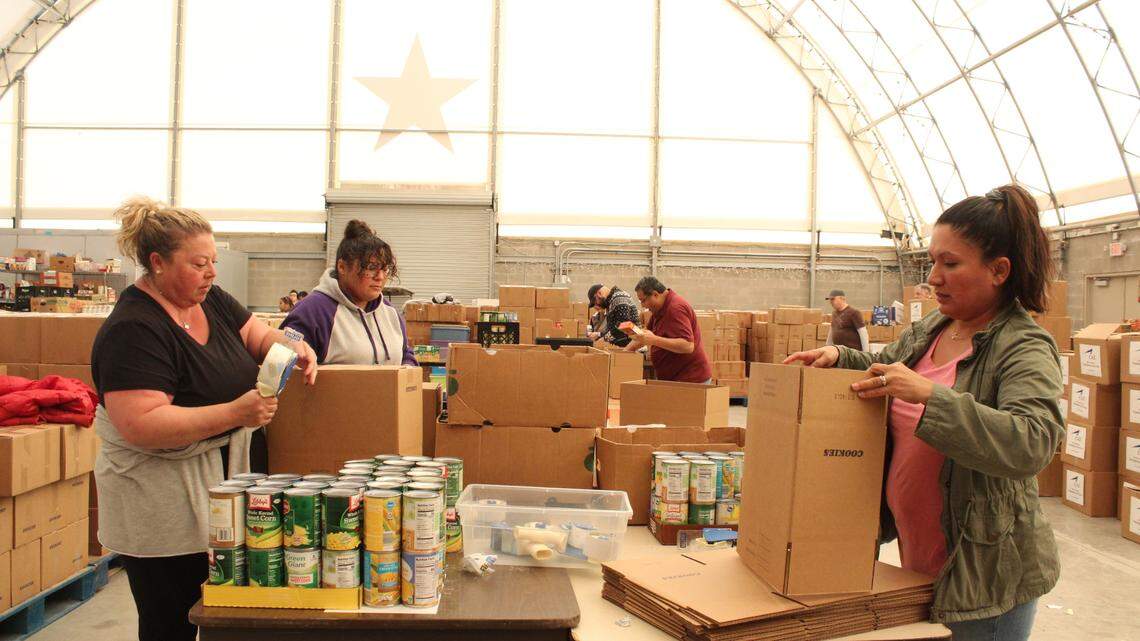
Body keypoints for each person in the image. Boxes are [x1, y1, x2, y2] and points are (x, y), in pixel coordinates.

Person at [784, 184, 1062, 640]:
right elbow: (887, 369)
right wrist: (840, 358)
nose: (933, 277)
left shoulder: (1023, 346)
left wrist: (931, 397)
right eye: (932, 261)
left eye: (950, 263)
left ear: (998, 270)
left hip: (985, 572)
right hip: (921, 555)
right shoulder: (935, 327)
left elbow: (1033, 441)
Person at [91, 197, 318, 641]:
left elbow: (257, 334)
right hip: (163, 499)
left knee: (227, 610)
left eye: (213, 260)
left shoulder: (210, 299)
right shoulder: (134, 329)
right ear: (156, 263)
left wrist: (291, 346)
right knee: (170, 620)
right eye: (199, 264)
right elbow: (142, 424)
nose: (212, 272)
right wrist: (236, 413)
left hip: (225, 485)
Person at [282, 220, 417, 365]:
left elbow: (405, 353)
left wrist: (408, 369)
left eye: (385, 269)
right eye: (371, 268)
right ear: (342, 267)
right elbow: (283, 356)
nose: (380, 277)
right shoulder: (313, 311)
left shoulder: (390, 313)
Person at [624, 276, 711, 383]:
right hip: (674, 378)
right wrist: (625, 352)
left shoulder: (675, 308)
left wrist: (653, 340)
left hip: (690, 379)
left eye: (643, 300)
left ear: (655, 294)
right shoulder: (659, 309)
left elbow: (688, 346)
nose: (643, 306)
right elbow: (644, 335)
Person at [586, 283, 640, 347]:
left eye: (596, 302)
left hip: (631, 347)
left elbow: (623, 325)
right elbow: (612, 327)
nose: (597, 305)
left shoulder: (618, 298)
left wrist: (604, 339)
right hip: (626, 346)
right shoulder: (612, 301)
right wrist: (599, 334)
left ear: (599, 294)